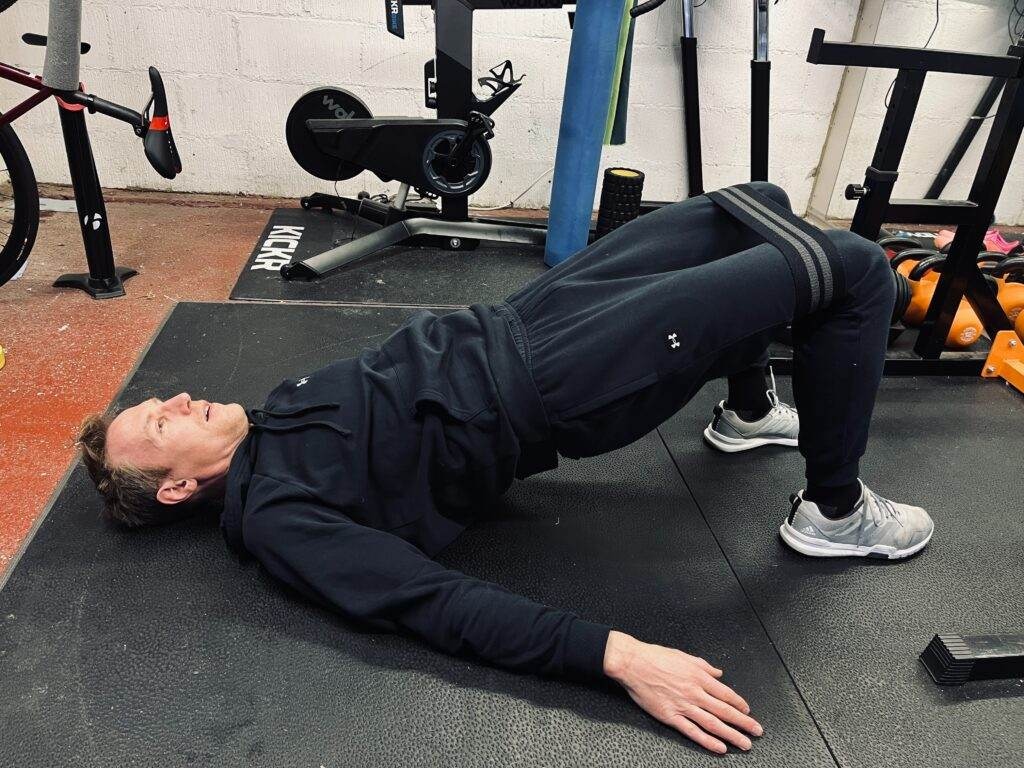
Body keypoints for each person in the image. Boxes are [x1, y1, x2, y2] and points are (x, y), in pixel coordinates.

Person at [77, 183, 933, 755]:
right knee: (851, 270)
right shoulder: (276, 520)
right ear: (181, 484)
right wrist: (618, 657)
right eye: (162, 420)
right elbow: (426, 601)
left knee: (750, 205)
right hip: (560, 382)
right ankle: (833, 511)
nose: (181, 398)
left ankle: (748, 416)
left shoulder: (269, 421)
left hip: (526, 318)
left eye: (165, 400)